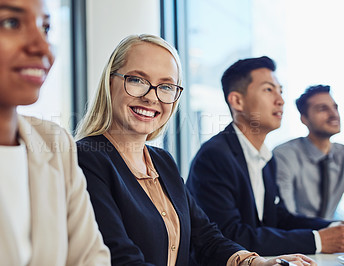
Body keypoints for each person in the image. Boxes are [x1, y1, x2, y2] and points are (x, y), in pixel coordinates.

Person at [75, 35, 315, 265]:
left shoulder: (162, 161)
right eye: (137, 80)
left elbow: (206, 239)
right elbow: (120, 258)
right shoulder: (86, 158)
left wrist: (256, 262)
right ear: (110, 82)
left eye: (166, 86)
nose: (152, 97)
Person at [0, 0, 110, 265]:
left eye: (45, 28)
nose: (42, 47)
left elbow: (91, 258)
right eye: (11, 23)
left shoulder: (55, 145)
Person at [186, 56, 344, 256]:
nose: (281, 100)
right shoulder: (214, 156)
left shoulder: (265, 157)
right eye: (269, 90)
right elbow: (228, 236)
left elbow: (279, 218)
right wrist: (316, 241)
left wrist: (333, 227)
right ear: (237, 101)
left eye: (281, 91)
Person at [273, 85, 344, 219]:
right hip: (297, 236)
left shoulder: (341, 154)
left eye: (335, 107)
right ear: (304, 118)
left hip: (334, 233)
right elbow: (287, 217)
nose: (334, 114)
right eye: (323, 109)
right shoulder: (285, 155)